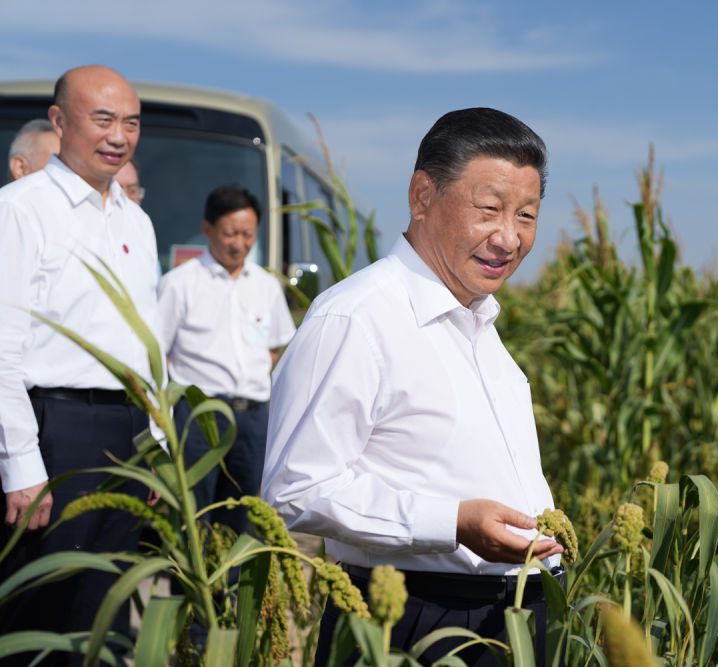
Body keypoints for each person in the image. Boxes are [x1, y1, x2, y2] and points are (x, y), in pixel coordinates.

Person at [262, 107, 564, 666]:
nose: (509, 237)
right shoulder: (356, 317)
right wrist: (453, 524)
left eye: (526, 215)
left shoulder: (480, 324)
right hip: (416, 621)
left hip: (513, 619)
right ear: (422, 196)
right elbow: (295, 490)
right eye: (489, 210)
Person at [0, 65, 160, 665]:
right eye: (103, 119)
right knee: (40, 613)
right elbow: (2, 346)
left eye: (131, 123)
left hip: (127, 436)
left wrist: (157, 444)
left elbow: (147, 343)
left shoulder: (136, 221)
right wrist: (21, 463)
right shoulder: (20, 209)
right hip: (56, 430)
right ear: (60, 121)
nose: (119, 136)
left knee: (105, 610)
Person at [158, 185, 294, 537]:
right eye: (230, 233)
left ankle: (232, 577)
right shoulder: (179, 283)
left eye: (248, 234)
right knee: (195, 516)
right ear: (208, 229)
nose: (239, 244)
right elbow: (158, 353)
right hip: (199, 416)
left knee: (241, 517)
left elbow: (275, 347)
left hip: (253, 418)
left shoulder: (266, 285)